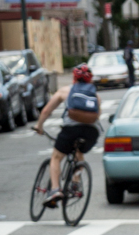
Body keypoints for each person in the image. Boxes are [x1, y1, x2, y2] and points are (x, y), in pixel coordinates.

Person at [33, 63, 101, 206]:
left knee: (56, 157)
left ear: (74, 78)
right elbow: (97, 116)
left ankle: (55, 189)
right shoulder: (94, 95)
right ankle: (75, 184)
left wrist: (39, 126)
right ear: (90, 80)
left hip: (71, 130)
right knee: (79, 151)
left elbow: (46, 111)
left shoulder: (65, 91)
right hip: (91, 133)